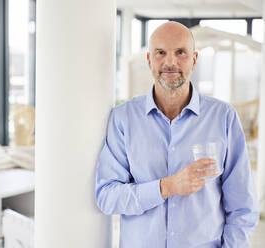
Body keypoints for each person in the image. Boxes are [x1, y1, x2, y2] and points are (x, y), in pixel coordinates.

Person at [95, 21, 259, 248]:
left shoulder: (223, 117)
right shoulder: (123, 118)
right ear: (149, 60)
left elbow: (242, 207)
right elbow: (107, 196)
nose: (170, 62)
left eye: (180, 52)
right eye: (161, 52)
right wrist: (166, 187)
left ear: (194, 59)